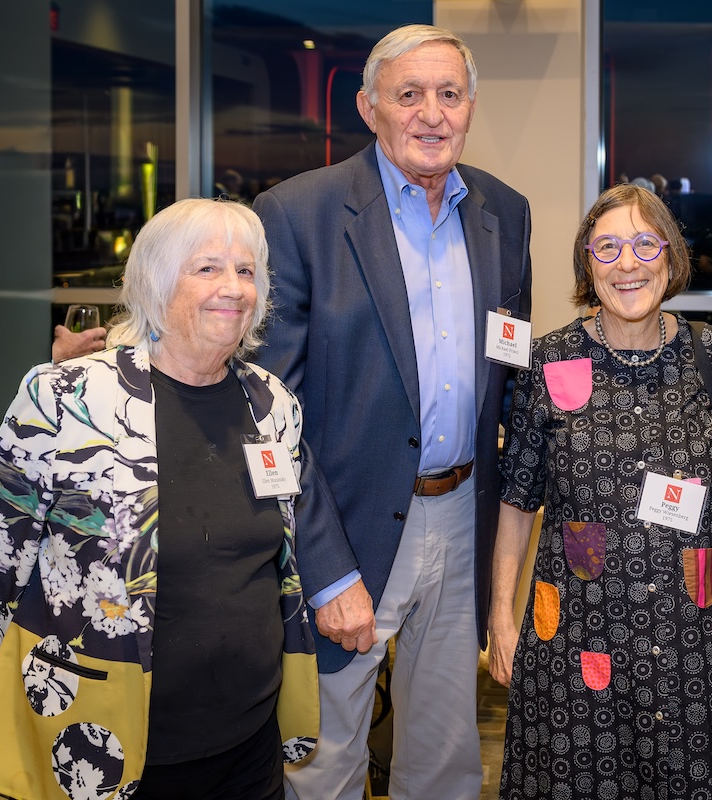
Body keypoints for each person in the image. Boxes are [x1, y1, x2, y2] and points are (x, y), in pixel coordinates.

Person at [251, 24, 532, 800]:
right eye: (409, 94)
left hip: (464, 515)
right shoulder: (298, 214)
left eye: (449, 94)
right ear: (369, 107)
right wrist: (324, 566)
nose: (431, 113)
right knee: (326, 755)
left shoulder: (505, 214)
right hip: (346, 522)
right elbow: (273, 418)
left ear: (471, 105)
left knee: (444, 756)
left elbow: (510, 368)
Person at [0, 198, 320, 800]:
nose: (233, 288)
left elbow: (280, 565)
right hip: (103, 744)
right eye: (207, 268)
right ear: (156, 283)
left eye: (246, 270)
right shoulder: (64, 400)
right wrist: (39, 697)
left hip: (249, 740)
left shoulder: (273, 405)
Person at [489, 183, 712, 799]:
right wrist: (501, 622)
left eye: (645, 244)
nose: (628, 263)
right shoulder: (551, 361)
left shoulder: (711, 355)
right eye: (608, 247)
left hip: (695, 647)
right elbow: (517, 500)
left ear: (671, 257)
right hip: (578, 644)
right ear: (588, 264)